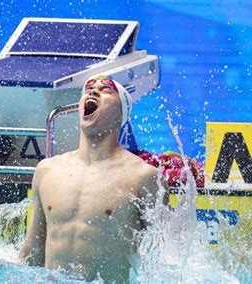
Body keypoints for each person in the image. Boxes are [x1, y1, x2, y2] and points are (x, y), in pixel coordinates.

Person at [19, 76, 168, 282]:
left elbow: (166, 260)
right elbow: (32, 248)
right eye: (88, 88)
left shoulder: (143, 177)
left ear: (122, 113)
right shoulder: (47, 170)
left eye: (106, 89)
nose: (93, 91)